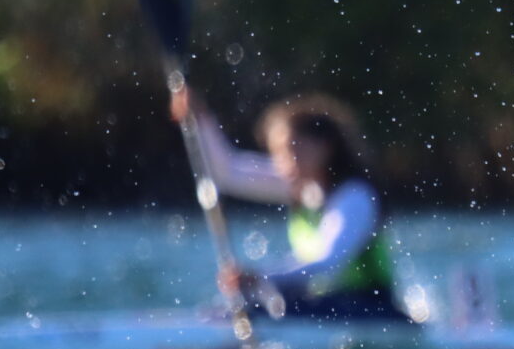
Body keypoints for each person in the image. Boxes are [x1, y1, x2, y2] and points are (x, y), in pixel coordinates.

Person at [168, 86, 413, 322]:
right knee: (243, 307)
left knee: (259, 310)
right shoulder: (301, 186)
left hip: (371, 310)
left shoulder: (355, 196)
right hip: (327, 305)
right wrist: (201, 120)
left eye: (294, 150)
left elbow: (327, 263)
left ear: (325, 147)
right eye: (279, 153)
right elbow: (226, 173)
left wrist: (262, 276)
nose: (285, 163)